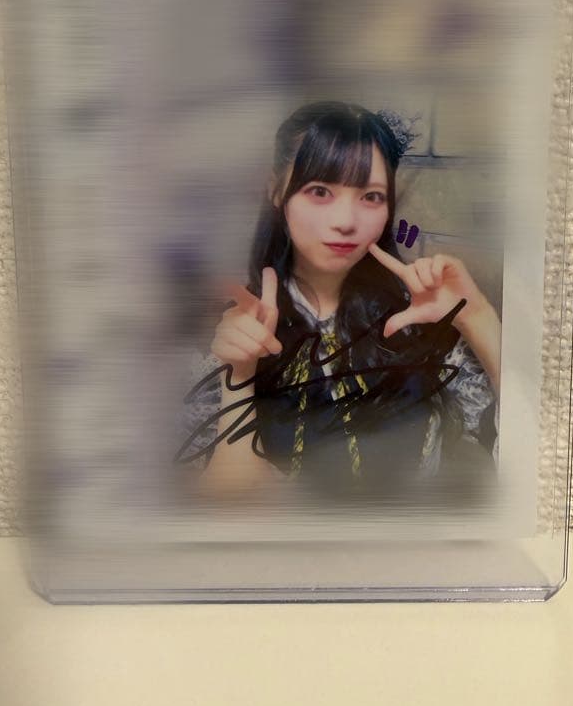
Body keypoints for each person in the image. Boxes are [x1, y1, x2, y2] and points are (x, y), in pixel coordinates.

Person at [176, 100, 501, 501]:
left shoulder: (419, 313)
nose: (346, 221)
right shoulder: (231, 333)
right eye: (320, 191)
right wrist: (239, 377)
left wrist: (477, 315)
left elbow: (541, 456)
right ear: (276, 190)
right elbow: (231, 504)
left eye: (371, 196)